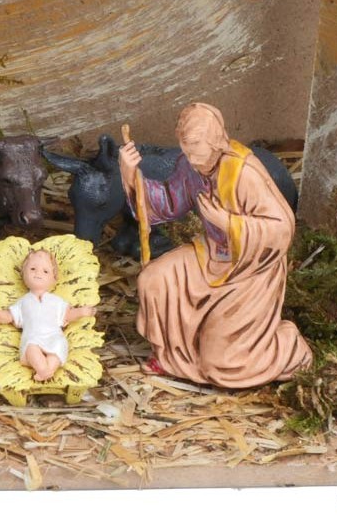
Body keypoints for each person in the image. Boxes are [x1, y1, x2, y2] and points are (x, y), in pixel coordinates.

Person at [118, 102, 312, 388]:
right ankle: (173, 358)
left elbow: (281, 229)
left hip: (250, 268)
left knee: (223, 364)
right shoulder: (190, 166)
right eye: (185, 146)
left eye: (195, 146)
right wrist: (130, 173)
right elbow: (167, 203)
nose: (189, 154)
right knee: (154, 279)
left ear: (215, 140)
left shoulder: (244, 172)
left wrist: (227, 222)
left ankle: (289, 347)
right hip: (210, 254)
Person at [0, 247, 97, 381]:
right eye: (32, 269)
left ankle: (47, 369)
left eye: (45, 271)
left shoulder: (56, 301)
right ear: (23, 274)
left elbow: (67, 315)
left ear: (54, 279)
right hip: (33, 338)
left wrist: (82, 312)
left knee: (59, 346)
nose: (38, 273)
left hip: (54, 335)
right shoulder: (23, 302)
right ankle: (43, 370)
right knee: (31, 348)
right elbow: (9, 317)